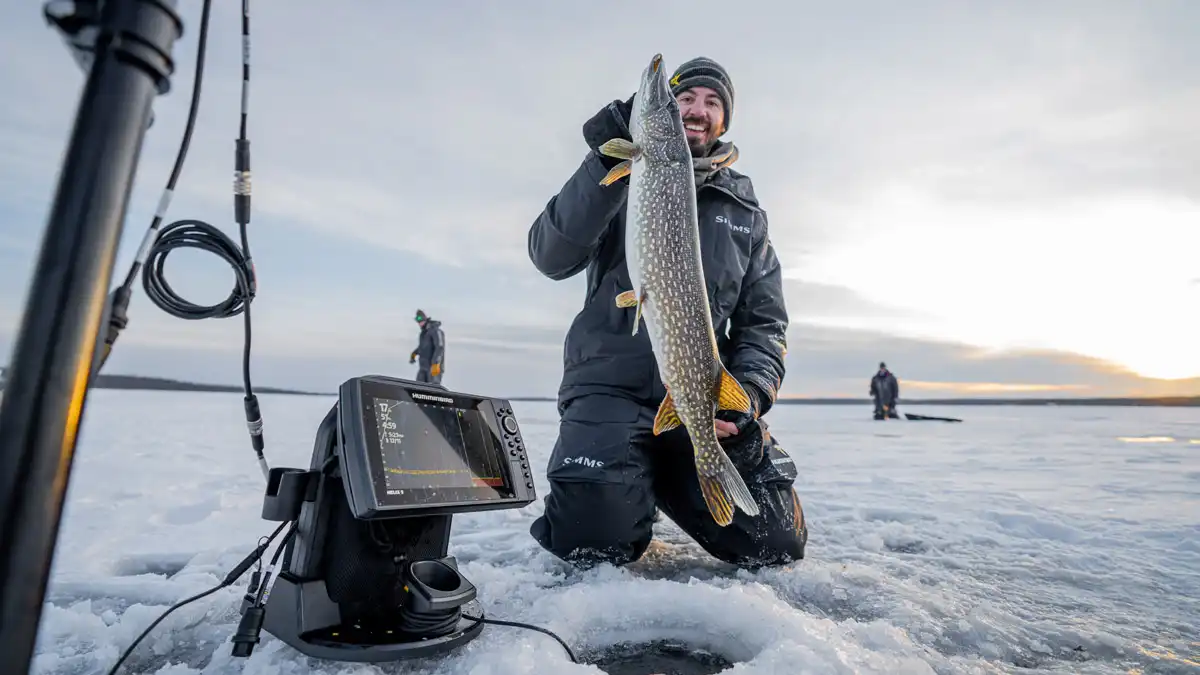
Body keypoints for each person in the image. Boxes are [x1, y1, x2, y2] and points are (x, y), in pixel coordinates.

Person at [525, 57, 807, 569]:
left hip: (697, 397)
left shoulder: (745, 213)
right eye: (684, 98)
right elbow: (550, 254)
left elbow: (765, 325)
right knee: (592, 542)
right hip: (609, 392)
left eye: (713, 102)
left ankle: (667, 478)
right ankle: (628, 487)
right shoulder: (623, 174)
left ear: (725, 120)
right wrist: (600, 159)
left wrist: (744, 399)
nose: (697, 110)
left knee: (775, 541)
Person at [408, 309, 445, 384]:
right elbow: (422, 347)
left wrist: (436, 362)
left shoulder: (435, 331)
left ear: (425, 319)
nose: (420, 323)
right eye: (418, 322)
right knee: (418, 385)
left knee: (432, 388)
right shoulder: (423, 334)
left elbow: (439, 347)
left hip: (434, 367)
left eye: (421, 321)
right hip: (423, 366)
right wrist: (414, 354)